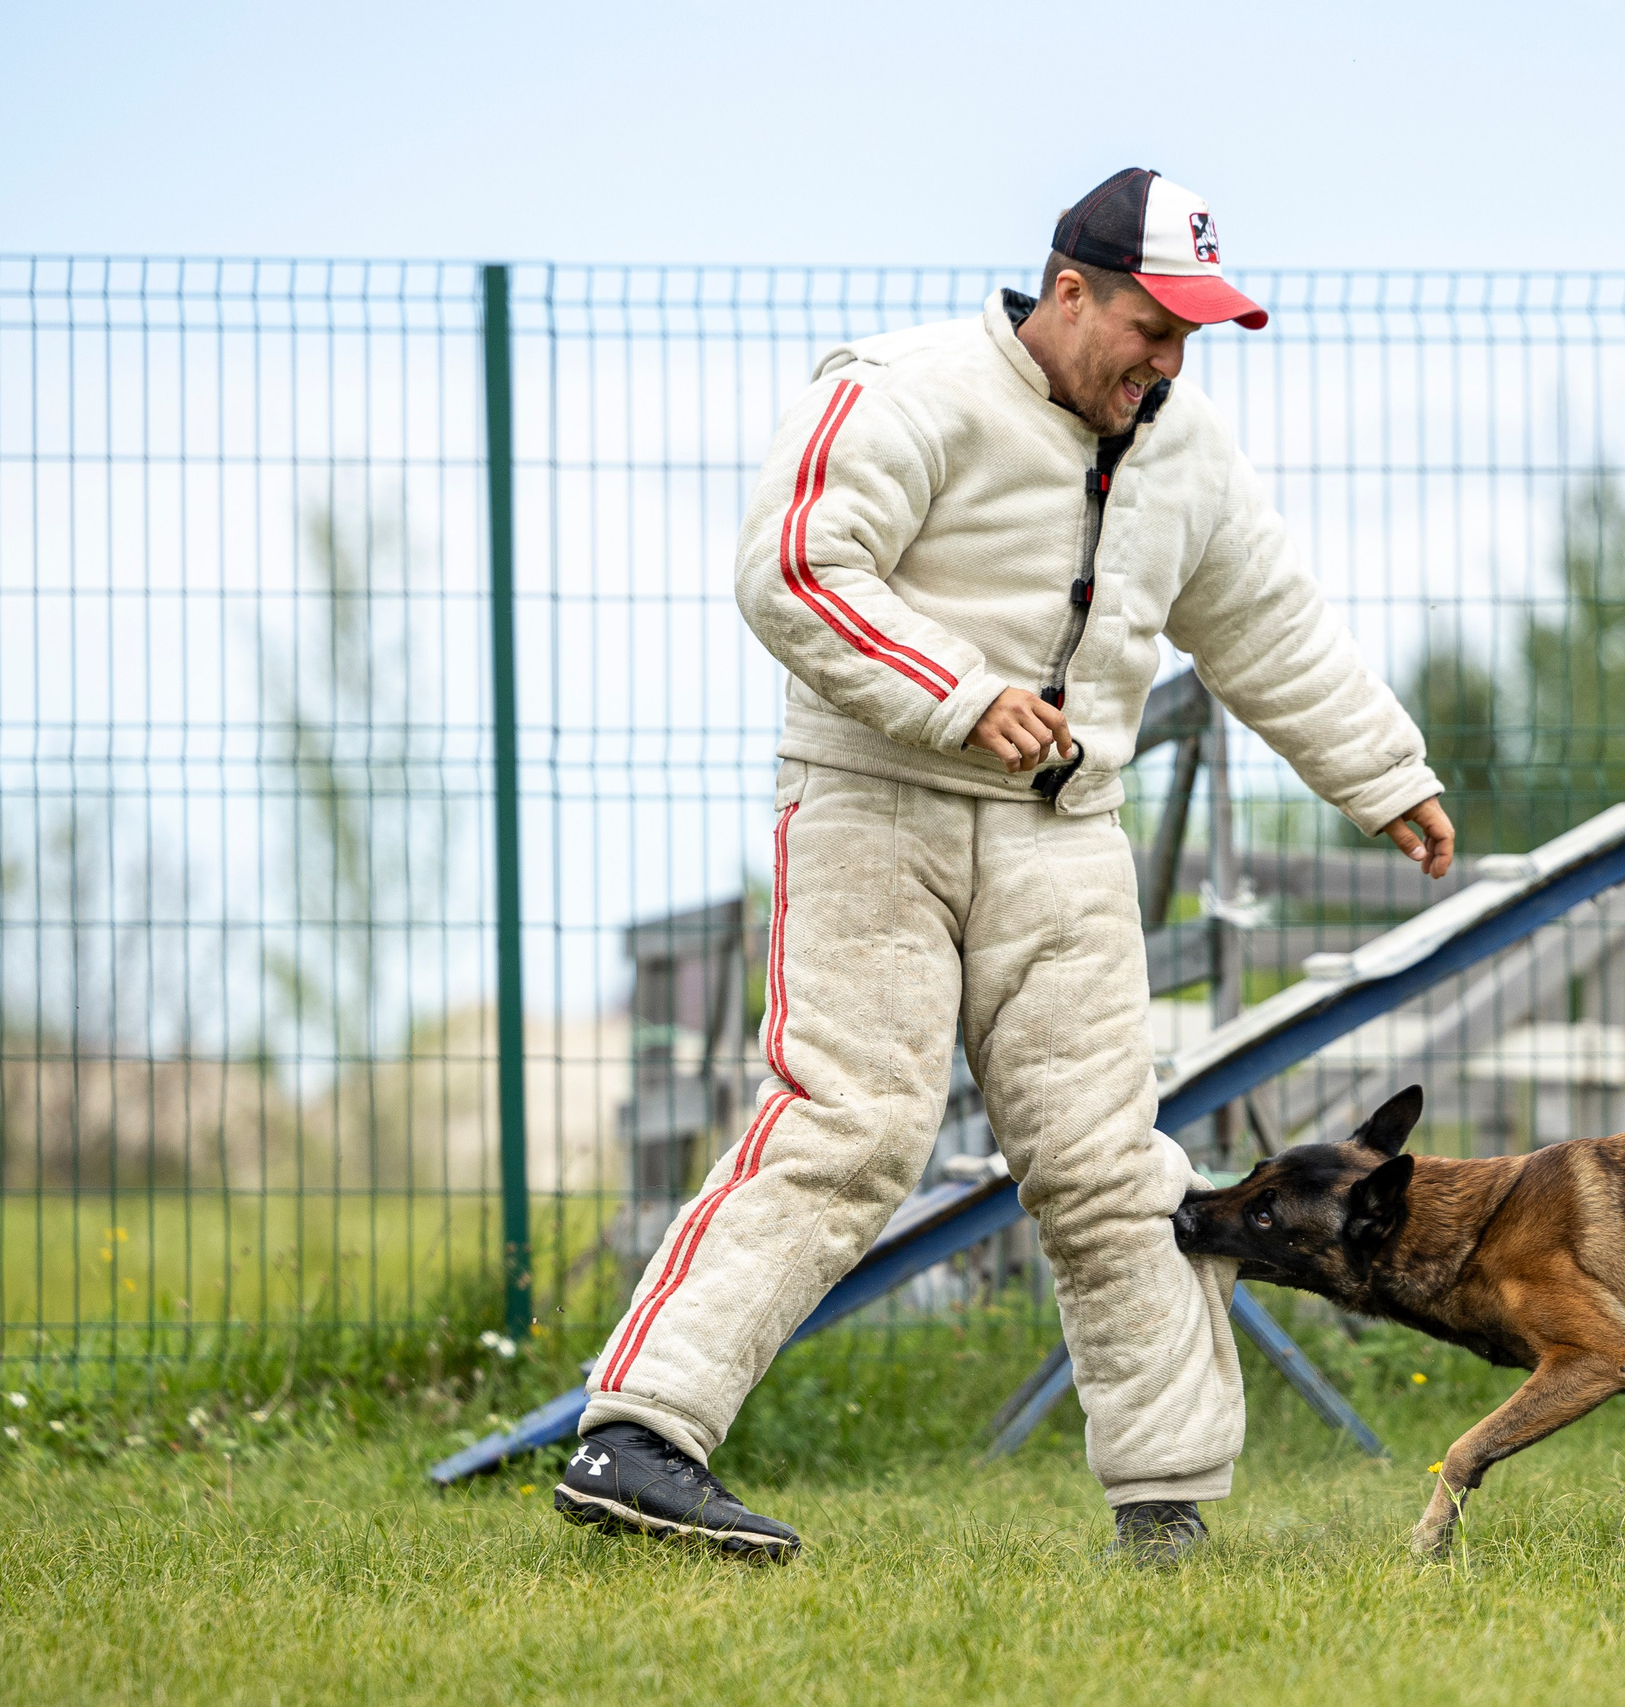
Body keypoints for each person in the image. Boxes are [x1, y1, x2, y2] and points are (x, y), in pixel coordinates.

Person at [554, 168, 1452, 1565]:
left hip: (1062, 834)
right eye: (1151, 327)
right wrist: (961, 692)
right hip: (874, 802)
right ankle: (640, 1435)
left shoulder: (1185, 447)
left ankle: (1169, 1507)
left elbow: (1268, 623)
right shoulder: (900, 391)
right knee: (850, 1124)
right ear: (1069, 290)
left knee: (1109, 1163)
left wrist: (1385, 774)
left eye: (1190, 341)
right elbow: (792, 566)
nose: (1165, 364)